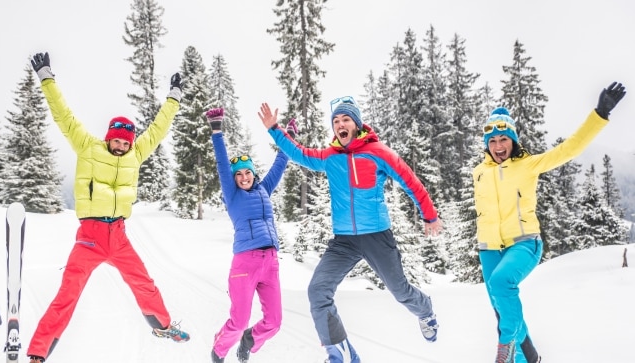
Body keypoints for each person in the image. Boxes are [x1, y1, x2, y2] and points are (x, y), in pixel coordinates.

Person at [25, 52, 190, 363]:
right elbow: (64, 116)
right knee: (68, 294)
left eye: (127, 142)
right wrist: (46, 77)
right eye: (119, 141)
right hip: (89, 236)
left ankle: (162, 326)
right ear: (110, 137)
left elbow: (158, 128)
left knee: (143, 281)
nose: (123, 146)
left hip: (119, 235)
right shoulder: (88, 147)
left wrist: (174, 97)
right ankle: (38, 351)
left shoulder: (136, 154)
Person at [257, 98, 443, 363]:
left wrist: (429, 215)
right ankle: (340, 353)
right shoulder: (329, 158)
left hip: (376, 236)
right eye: (335, 121)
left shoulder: (378, 152)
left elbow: (410, 181)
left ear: (356, 124)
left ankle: (425, 311)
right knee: (317, 291)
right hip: (344, 241)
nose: (340, 125)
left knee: (400, 290)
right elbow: (298, 153)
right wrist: (274, 129)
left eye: (345, 120)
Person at [474, 82, 626, 363]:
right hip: (488, 248)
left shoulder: (527, 165)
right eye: (493, 141)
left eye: (503, 139)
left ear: (513, 140)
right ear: (487, 144)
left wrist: (600, 114)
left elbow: (568, 149)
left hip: (524, 243)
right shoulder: (480, 172)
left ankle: (505, 346)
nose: (498, 146)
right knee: (504, 307)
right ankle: (528, 359)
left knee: (503, 283)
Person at [205, 108, 293, 363]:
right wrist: (217, 130)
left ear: (254, 173)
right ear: (234, 179)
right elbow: (222, 162)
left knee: (274, 322)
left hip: (271, 262)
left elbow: (280, 162)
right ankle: (219, 350)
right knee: (240, 319)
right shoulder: (232, 196)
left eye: (247, 172)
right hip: (245, 261)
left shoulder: (264, 189)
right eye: (239, 174)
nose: (244, 177)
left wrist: (287, 136)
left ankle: (249, 340)